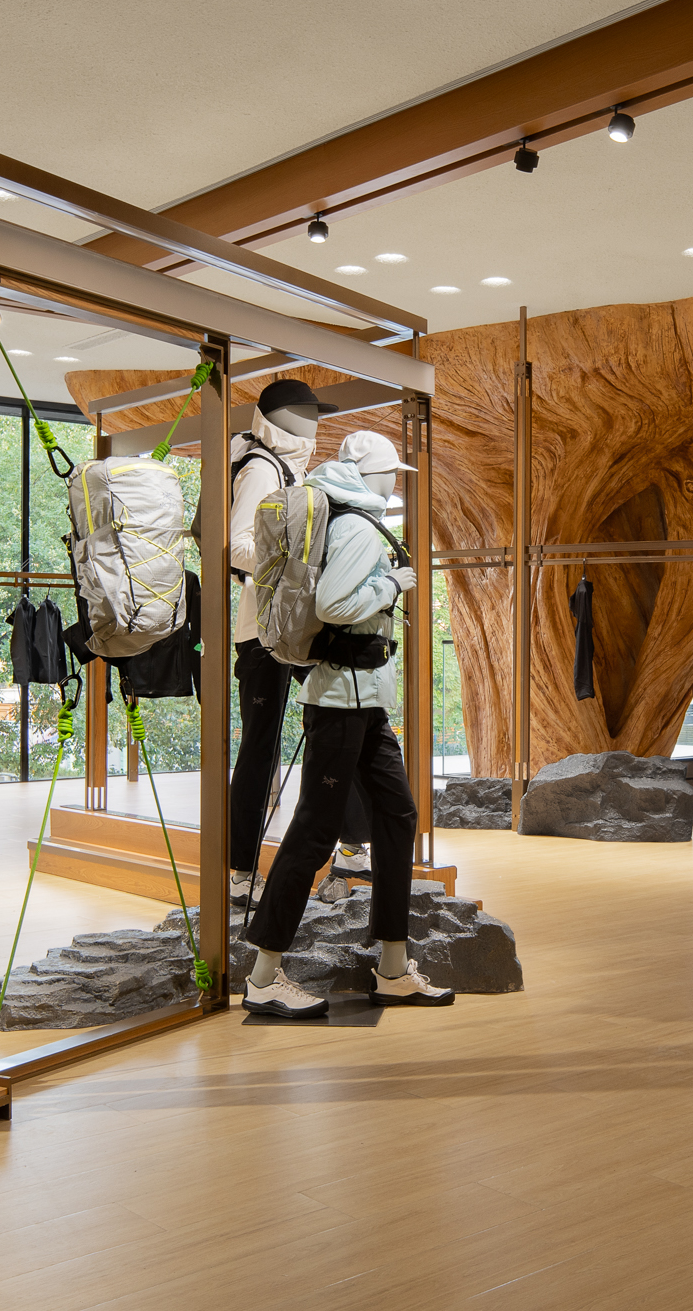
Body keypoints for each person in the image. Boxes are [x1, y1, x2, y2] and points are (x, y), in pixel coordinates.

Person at [241, 429, 454, 1018]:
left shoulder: (344, 518)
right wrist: (391, 583)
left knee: (397, 815)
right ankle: (263, 977)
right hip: (340, 702)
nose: (393, 483)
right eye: (390, 473)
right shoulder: (358, 527)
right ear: (370, 474)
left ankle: (393, 969)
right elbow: (334, 605)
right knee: (315, 830)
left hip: (361, 702)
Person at [227, 379, 373, 904]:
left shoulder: (290, 468)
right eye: (303, 412)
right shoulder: (262, 468)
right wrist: (301, 565)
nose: (312, 422)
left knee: (335, 729)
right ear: (277, 416)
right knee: (261, 749)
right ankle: (241, 872)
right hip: (264, 630)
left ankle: (352, 854)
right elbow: (235, 547)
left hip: (295, 626)